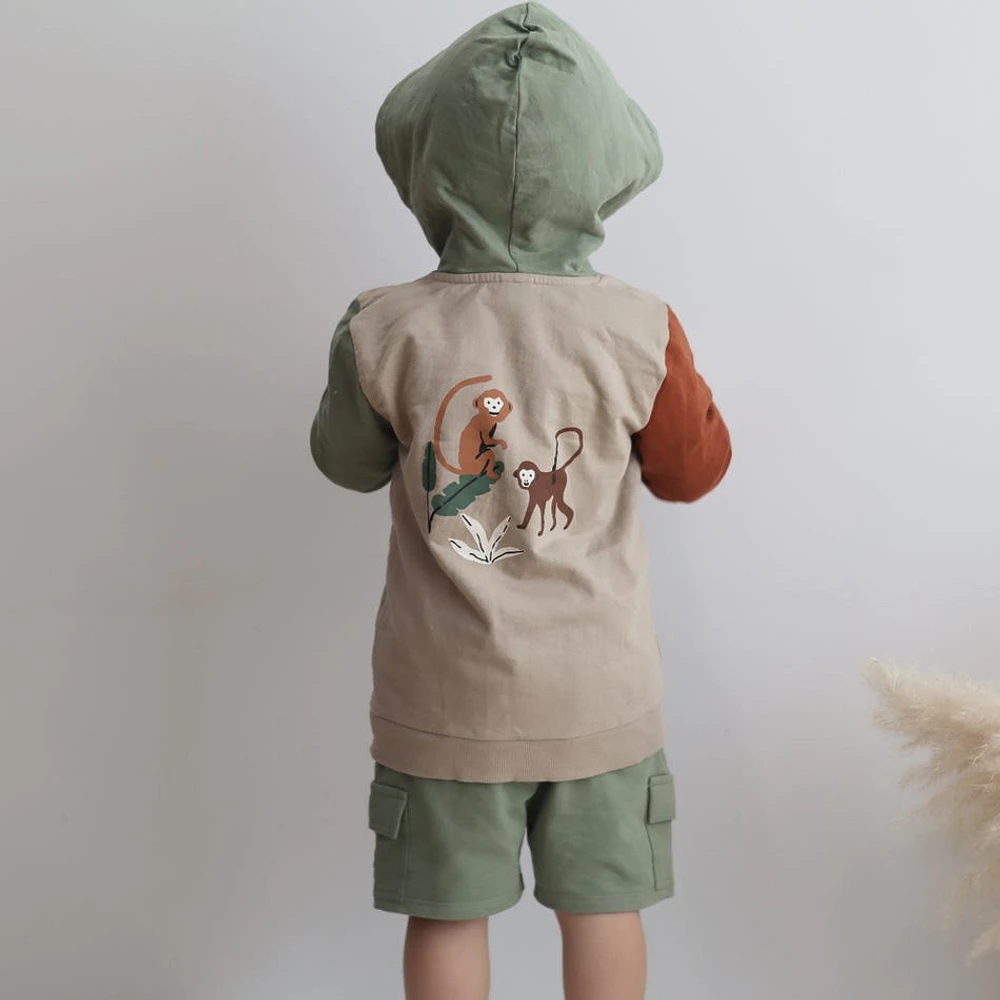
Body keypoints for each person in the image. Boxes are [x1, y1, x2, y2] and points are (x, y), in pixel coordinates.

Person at [310, 4, 732, 998]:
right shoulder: (640, 328)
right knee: (604, 909)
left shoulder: (382, 327)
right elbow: (692, 472)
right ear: (607, 163)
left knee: (448, 915)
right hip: (598, 696)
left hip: (445, 698)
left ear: (424, 159)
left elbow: (346, 462)